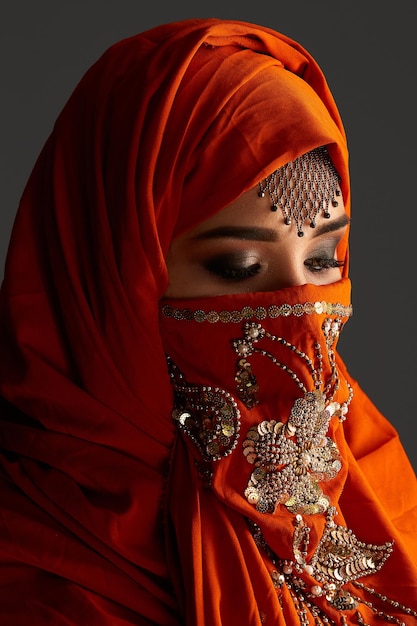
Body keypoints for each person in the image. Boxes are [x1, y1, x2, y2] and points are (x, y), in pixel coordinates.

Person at [0, 16, 416, 626]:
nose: (301, 307)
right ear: (112, 277)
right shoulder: (36, 576)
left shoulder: (369, 476)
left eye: (325, 259)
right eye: (238, 266)